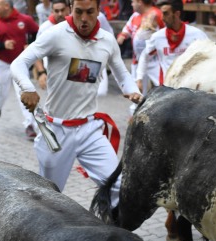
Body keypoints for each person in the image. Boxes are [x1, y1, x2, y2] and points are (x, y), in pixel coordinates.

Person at [10, 0, 141, 206]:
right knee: (49, 197)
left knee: (118, 186)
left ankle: (111, 229)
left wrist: (132, 91)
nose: (84, 19)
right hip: (55, 130)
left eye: (90, 12)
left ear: (99, 11)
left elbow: (122, 73)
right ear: (71, 9)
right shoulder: (56, 34)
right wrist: (27, 87)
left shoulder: (107, 40)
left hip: (89, 129)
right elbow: (19, 62)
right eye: (78, 12)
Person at [0, 0, 38, 136]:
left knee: (24, 91)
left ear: (6, 6)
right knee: (0, 90)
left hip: (20, 63)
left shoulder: (24, 19)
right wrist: (3, 45)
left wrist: (30, 45)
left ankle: (30, 125)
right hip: (1, 63)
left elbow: (37, 33)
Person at [135, 0, 206, 91]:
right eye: (161, 14)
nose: (162, 18)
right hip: (166, 90)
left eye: (166, 14)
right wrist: (139, 79)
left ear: (177, 14)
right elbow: (144, 56)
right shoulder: (157, 37)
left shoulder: (196, 35)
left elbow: (210, 56)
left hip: (190, 90)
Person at [116, 0, 162, 79]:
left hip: (155, 60)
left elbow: (166, 32)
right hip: (137, 60)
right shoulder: (135, 15)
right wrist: (123, 35)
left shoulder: (157, 14)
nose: (131, 4)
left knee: (161, 87)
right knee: (137, 89)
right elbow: (127, 30)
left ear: (140, 2)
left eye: (133, 2)